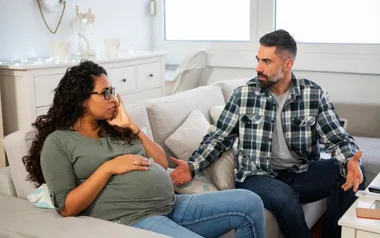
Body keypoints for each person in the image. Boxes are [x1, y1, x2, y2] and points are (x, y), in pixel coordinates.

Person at [22, 60, 266, 238]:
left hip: (172, 204)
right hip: (134, 219)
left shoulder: (115, 128)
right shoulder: (59, 142)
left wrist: (132, 126)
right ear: (81, 99)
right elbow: (66, 207)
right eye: (105, 93)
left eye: (112, 91)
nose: (113, 99)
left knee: (250, 202)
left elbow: (161, 162)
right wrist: (108, 168)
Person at [170, 29, 365, 238]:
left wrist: (349, 160)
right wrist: (192, 166)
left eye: (266, 61)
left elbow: (337, 137)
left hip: (300, 171)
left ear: (287, 64)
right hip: (256, 176)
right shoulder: (243, 95)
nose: (258, 68)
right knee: (284, 197)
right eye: (258, 60)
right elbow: (219, 137)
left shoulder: (313, 94)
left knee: (352, 172)